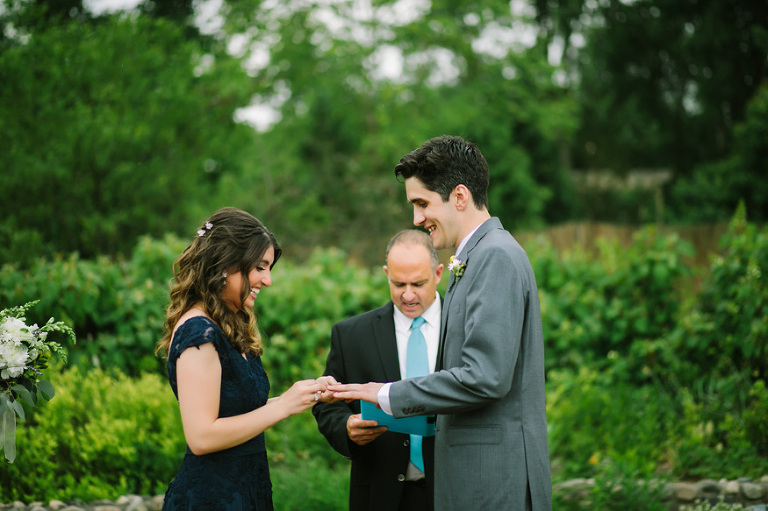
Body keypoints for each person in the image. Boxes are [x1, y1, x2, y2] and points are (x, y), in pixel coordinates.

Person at [330, 135, 553, 510]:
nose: (416, 219)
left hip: (492, 484)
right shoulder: (478, 256)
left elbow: (486, 376)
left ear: (460, 197)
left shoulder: (494, 256)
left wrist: (387, 394)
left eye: (422, 203)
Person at [156, 207, 335, 510]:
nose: (267, 280)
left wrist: (301, 396)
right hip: (211, 499)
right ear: (227, 264)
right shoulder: (198, 332)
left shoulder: (227, 324)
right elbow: (201, 436)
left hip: (246, 492)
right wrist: (284, 407)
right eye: (260, 267)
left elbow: (236, 412)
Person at [313, 229, 443, 511]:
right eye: (398, 284)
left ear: (439, 274)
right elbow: (328, 406)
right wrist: (346, 427)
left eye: (418, 283)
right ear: (386, 273)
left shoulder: (462, 328)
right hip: (379, 494)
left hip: (453, 492)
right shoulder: (352, 335)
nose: (408, 295)